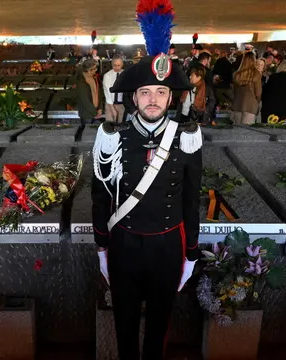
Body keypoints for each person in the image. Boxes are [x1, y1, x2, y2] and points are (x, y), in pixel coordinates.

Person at [92, 50, 202, 360]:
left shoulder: (186, 137)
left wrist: (191, 254)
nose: (152, 99)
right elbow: (100, 197)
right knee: (123, 325)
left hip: (168, 244)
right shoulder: (113, 136)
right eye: (145, 92)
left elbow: (191, 198)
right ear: (135, 98)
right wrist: (102, 247)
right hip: (124, 243)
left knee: (159, 327)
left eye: (160, 92)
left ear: (170, 98)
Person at [231, 52, 262, 125]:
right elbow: (258, 93)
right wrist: (257, 103)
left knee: (237, 132)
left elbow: (234, 92)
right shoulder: (256, 74)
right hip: (250, 106)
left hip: (237, 105)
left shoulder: (237, 74)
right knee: (247, 133)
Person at [76, 59, 103, 126]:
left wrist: (100, 108)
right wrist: (95, 113)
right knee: (87, 134)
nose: (96, 70)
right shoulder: (81, 81)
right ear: (88, 70)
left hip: (96, 112)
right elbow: (85, 100)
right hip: (87, 115)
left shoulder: (95, 77)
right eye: (94, 69)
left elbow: (98, 93)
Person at [102, 55, 125, 123]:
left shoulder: (125, 74)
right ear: (112, 64)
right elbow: (108, 93)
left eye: (119, 65)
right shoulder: (107, 76)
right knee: (110, 125)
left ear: (122, 64)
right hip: (110, 104)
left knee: (121, 126)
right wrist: (112, 109)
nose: (117, 67)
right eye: (115, 65)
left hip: (122, 105)